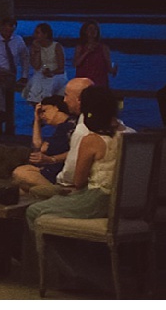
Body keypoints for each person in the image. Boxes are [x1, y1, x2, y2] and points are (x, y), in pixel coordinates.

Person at [26, 85, 124, 229]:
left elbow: (78, 181)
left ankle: (47, 251)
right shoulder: (127, 134)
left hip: (97, 199)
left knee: (33, 210)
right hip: (121, 199)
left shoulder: (90, 139)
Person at [11, 95, 77, 192]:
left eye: (44, 111)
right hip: (50, 171)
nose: (42, 116)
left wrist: (51, 159)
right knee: (22, 185)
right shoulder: (61, 128)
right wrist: (37, 121)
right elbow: (37, 146)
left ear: (56, 107)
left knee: (20, 174)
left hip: (60, 174)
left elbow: (41, 149)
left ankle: (61, 194)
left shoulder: (69, 126)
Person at [0, 17, 30, 138]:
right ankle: (1, 112)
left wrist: (24, 75)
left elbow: (25, 58)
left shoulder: (18, 41)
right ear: (2, 28)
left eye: (11, 30)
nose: (8, 33)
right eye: (6, 29)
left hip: (8, 72)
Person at [23, 23, 66, 104]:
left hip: (56, 74)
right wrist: (37, 50)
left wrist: (52, 72)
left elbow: (61, 68)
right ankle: (36, 107)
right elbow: (36, 66)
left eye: (37, 33)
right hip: (41, 73)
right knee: (36, 83)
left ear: (45, 34)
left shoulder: (56, 46)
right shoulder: (35, 46)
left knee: (49, 85)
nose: (35, 35)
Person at [72, 21, 116, 87]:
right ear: (85, 31)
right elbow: (75, 64)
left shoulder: (103, 48)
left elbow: (109, 68)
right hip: (83, 81)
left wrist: (114, 70)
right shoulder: (80, 47)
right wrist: (86, 52)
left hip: (99, 82)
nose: (93, 31)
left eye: (95, 29)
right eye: (90, 29)